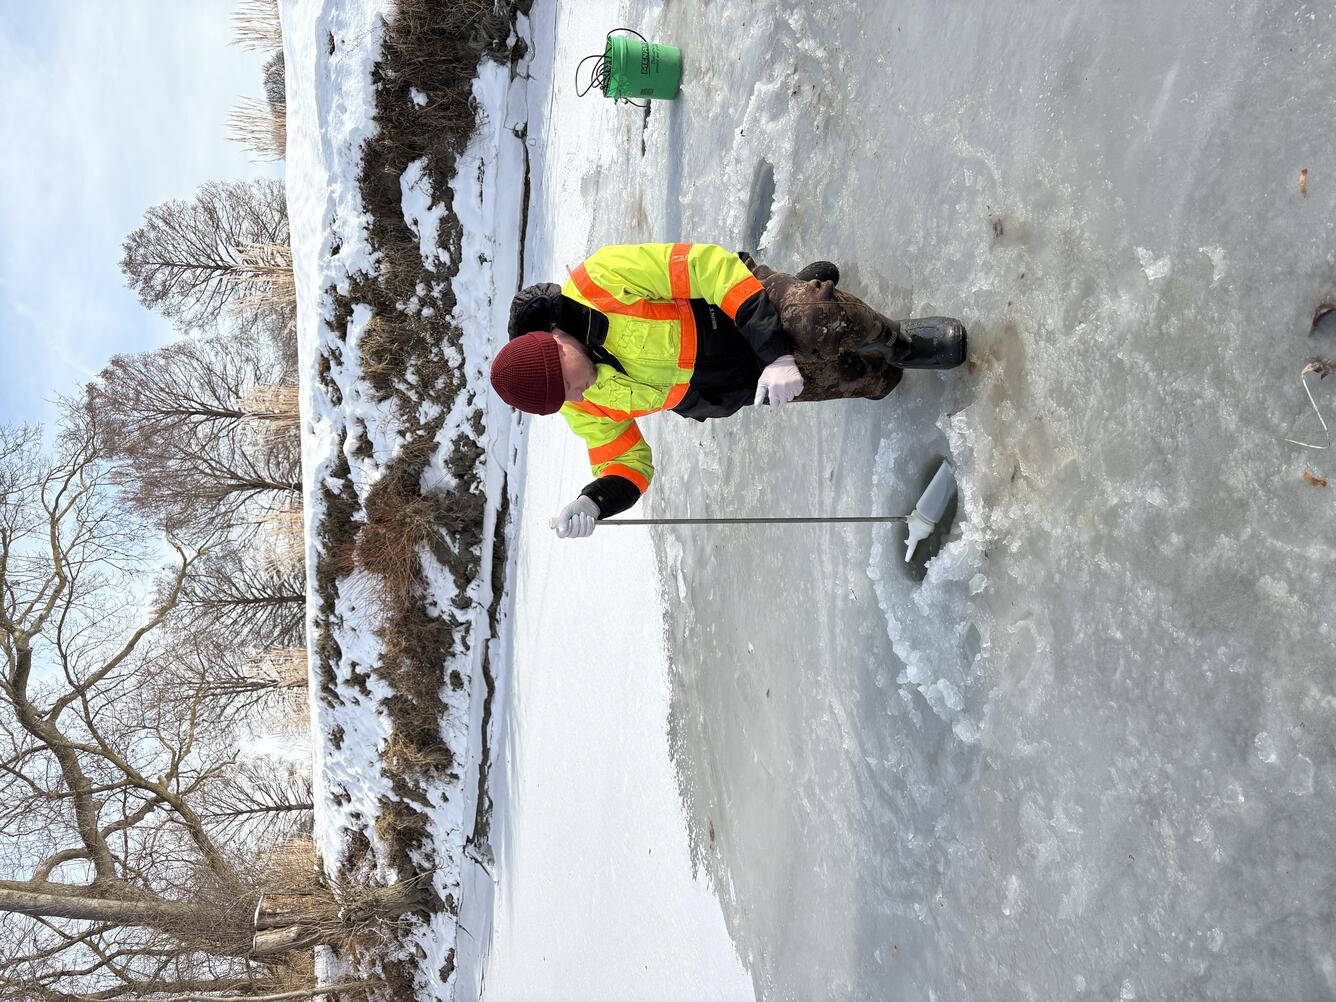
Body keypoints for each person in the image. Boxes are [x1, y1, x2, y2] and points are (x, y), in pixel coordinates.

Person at [489, 242, 966, 538]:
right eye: (566, 401)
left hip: (738, 310)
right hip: (735, 384)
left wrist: (776, 351)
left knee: (816, 321)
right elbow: (627, 464)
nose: (577, 396)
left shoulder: (602, 279)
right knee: (876, 382)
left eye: (567, 385)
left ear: (555, 344)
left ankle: (896, 337)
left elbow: (707, 266)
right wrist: (595, 500)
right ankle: (812, 297)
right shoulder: (583, 405)